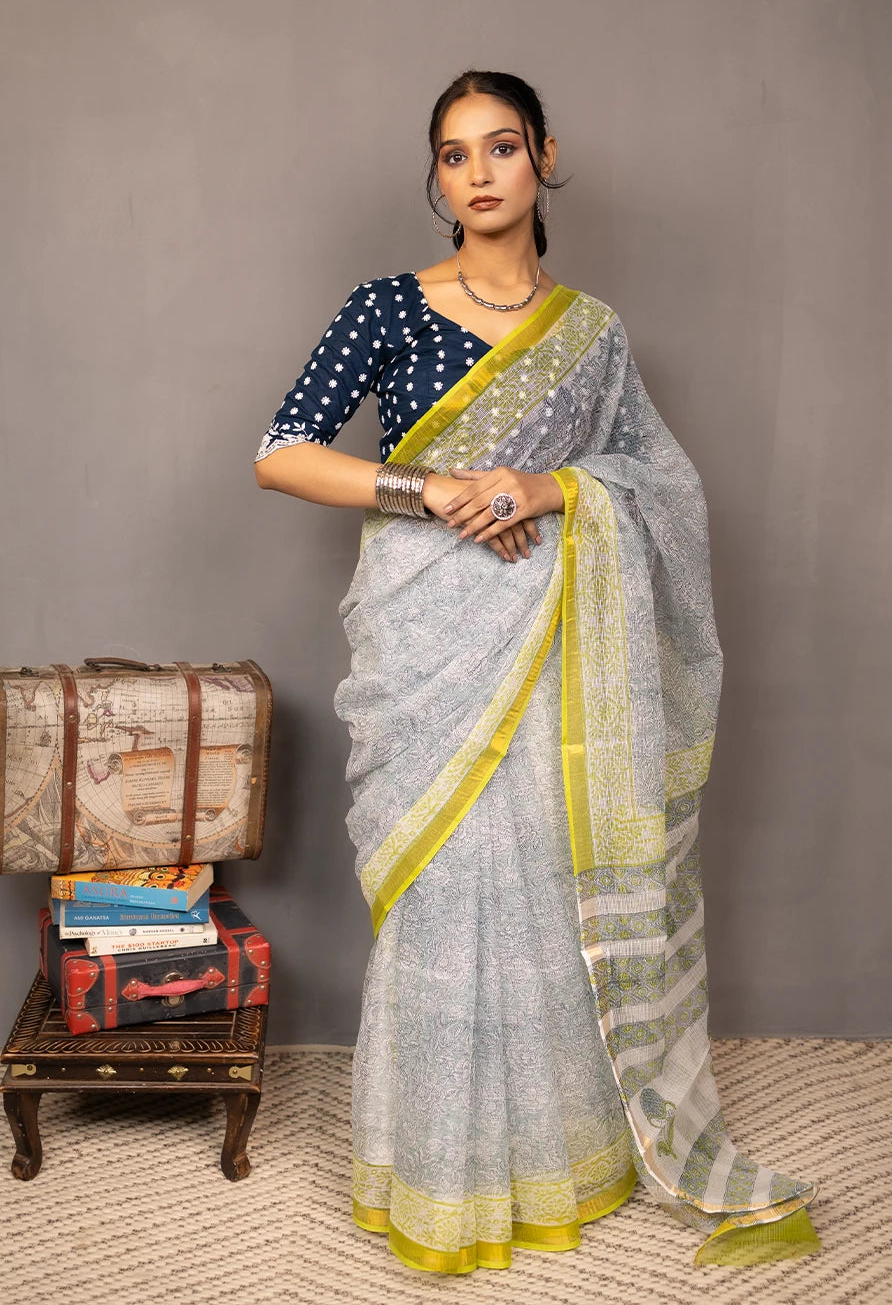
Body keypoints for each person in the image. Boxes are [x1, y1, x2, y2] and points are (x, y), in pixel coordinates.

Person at [254, 69, 821, 1275]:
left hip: (559, 631)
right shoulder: (388, 306)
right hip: (430, 636)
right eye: (454, 155)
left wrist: (552, 488)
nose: (478, 173)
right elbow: (283, 453)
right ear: (439, 177)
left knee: (539, 887)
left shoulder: (595, 335)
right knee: (447, 886)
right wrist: (439, 490)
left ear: (544, 156)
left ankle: (559, 1152)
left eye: (500, 147)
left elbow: (656, 485)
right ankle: (444, 1172)